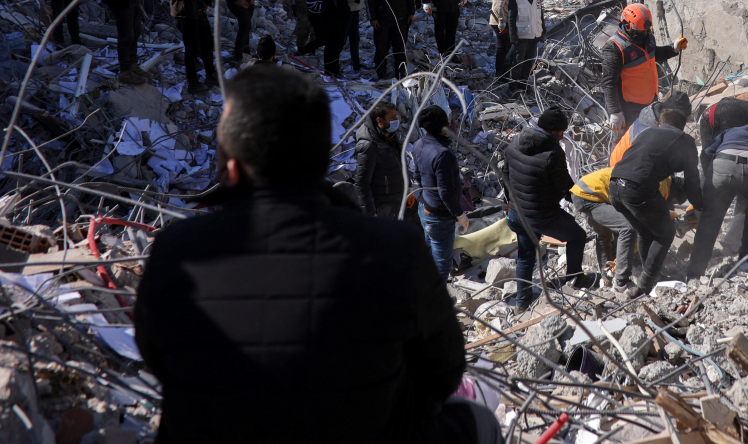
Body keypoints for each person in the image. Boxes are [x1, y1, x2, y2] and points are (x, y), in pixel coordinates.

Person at [134, 68, 489, 444]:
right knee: (478, 421)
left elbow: (156, 357)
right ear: (321, 159)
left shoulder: (177, 251)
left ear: (232, 165)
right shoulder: (395, 249)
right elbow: (444, 370)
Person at [502, 107, 593, 307]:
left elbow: (505, 174)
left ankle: (522, 302)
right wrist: (588, 202)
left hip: (517, 213)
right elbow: (566, 189)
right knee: (577, 235)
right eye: (561, 133)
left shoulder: (516, 141)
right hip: (541, 215)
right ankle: (575, 278)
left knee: (526, 256)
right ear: (555, 131)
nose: (562, 137)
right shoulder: (553, 154)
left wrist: (512, 201)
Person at [609, 107, 704, 297]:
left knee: (645, 231)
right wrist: (701, 206)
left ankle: (651, 275)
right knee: (665, 233)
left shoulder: (647, 132)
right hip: (638, 189)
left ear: (660, 123)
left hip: (614, 187)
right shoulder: (685, 141)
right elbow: (693, 182)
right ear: (682, 127)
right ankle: (645, 285)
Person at [685, 121, 748, 281]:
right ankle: (746, 264)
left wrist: (709, 179)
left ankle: (694, 272)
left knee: (711, 217)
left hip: (723, 165)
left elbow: (705, 154)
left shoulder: (730, 131)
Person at [600, 4, 686, 130]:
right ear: (628, 26)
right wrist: (615, 112)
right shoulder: (615, 48)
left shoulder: (647, 37)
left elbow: (653, 54)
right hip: (630, 108)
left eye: (647, 29)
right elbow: (608, 83)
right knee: (626, 142)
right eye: (641, 30)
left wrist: (673, 49)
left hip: (651, 101)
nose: (645, 33)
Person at [409, 105, 469, 280]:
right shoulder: (442, 154)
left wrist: (425, 199)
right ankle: (435, 304)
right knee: (442, 266)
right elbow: (446, 193)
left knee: (428, 255)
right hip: (440, 217)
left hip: (425, 209)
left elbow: (418, 176)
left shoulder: (419, 144)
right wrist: (460, 215)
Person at [353, 100, 406, 217]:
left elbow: (400, 162)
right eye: (392, 117)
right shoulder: (369, 145)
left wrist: (408, 187)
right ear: (379, 120)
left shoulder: (391, 136)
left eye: (396, 116)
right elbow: (362, 182)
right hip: (382, 205)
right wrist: (370, 213)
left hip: (397, 200)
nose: (396, 120)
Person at [316, 0, 351, 78]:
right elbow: (340, 3)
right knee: (336, 45)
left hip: (324, 14)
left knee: (329, 45)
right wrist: (346, 12)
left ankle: (328, 69)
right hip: (336, 18)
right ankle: (333, 71)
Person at [507, 0, 544, 87]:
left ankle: (523, 85)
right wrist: (513, 36)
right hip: (522, 36)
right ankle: (513, 87)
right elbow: (511, 19)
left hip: (534, 35)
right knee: (518, 63)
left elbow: (540, 14)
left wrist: (543, 31)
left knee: (529, 63)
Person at [490, 0, 523, 83]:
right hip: (500, 21)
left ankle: (502, 74)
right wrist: (501, 20)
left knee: (505, 47)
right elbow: (497, 3)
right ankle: (500, 75)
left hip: (504, 20)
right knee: (504, 48)